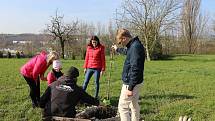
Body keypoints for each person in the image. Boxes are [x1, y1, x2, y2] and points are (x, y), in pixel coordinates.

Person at [112, 28, 145, 121]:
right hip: (136, 82)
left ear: (124, 38)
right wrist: (117, 49)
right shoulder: (134, 45)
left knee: (122, 108)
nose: (121, 44)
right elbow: (127, 52)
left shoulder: (135, 47)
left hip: (131, 83)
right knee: (134, 105)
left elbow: (135, 69)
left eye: (120, 42)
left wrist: (130, 88)